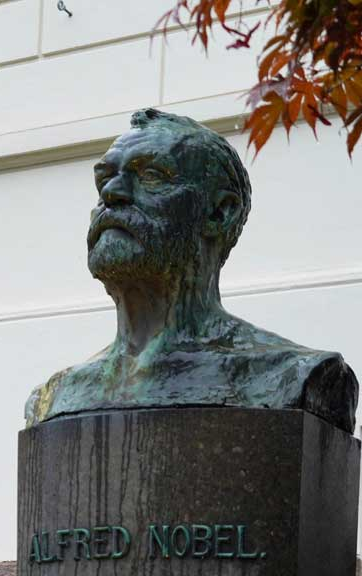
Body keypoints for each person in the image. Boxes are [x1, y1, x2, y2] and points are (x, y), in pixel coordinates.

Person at [25, 108, 358, 432]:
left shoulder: (293, 377)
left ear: (220, 213)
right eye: (104, 180)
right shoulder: (56, 397)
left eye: (151, 176)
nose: (112, 193)